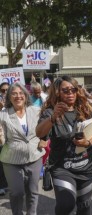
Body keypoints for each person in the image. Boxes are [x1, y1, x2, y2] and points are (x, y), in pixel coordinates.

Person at [36, 76, 92, 215]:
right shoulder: (50, 111)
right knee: (66, 204)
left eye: (73, 89)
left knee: (84, 207)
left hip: (86, 168)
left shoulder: (86, 109)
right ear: (58, 92)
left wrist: (88, 142)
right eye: (65, 90)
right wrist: (53, 117)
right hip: (62, 167)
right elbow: (39, 133)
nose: (70, 93)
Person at [0, 82, 45, 215]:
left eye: (20, 93)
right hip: (11, 159)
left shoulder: (36, 111)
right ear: (9, 97)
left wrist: (44, 139)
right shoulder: (3, 115)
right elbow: (2, 139)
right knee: (17, 192)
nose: (18, 96)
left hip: (34, 156)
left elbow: (46, 129)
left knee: (33, 191)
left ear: (26, 96)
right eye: (14, 93)